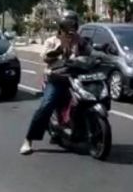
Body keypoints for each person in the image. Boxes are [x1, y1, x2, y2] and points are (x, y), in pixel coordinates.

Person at [20, 10, 91, 155]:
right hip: (56, 79)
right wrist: (59, 50)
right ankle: (28, 140)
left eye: (74, 24)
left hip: (76, 79)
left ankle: (84, 130)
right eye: (68, 24)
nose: (72, 27)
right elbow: (45, 57)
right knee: (46, 106)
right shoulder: (52, 41)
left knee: (89, 100)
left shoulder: (80, 40)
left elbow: (90, 53)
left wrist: (103, 50)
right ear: (62, 25)